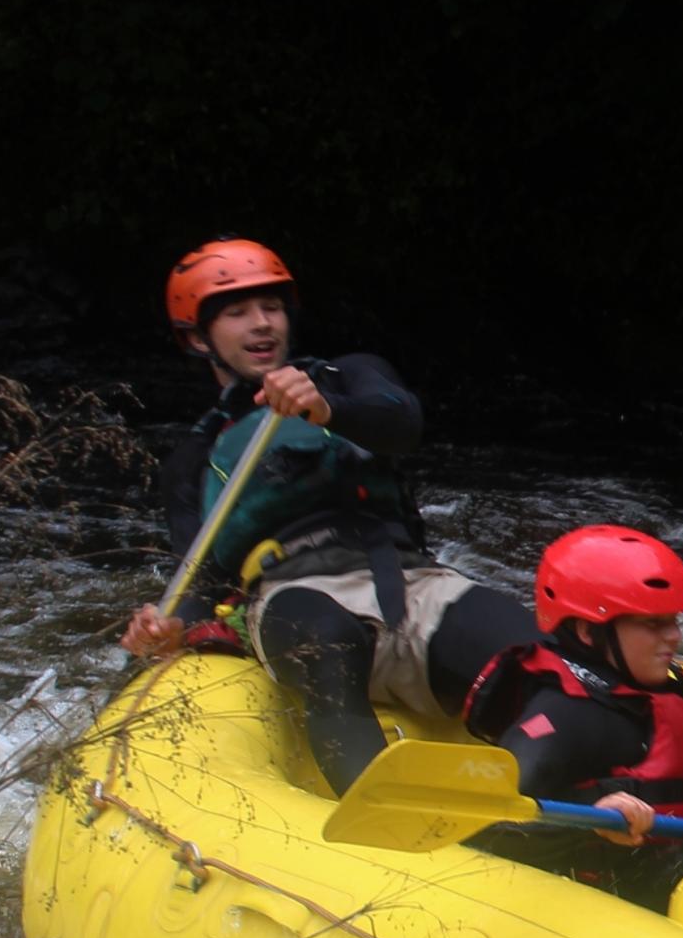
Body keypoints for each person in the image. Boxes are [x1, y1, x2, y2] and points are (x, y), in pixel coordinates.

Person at [122, 237, 535, 791]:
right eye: (238, 312)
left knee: (536, 661)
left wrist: (327, 409)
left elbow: (402, 423)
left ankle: (579, 816)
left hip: (411, 581)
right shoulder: (193, 459)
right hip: (292, 593)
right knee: (325, 638)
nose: (262, 324)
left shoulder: (348, 377)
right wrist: (172, 627)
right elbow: (202, 578)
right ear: (199, 338)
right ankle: (381, 814)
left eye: (270, 307)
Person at [460, 526, 683, 904]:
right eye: (653, 623)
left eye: (673, 620)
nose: (674, 636)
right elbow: (485, 827)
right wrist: (588, 819)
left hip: (658, 868)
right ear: (587, 631)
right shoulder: (563, 716)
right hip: (597, 894)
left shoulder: (667, 699)